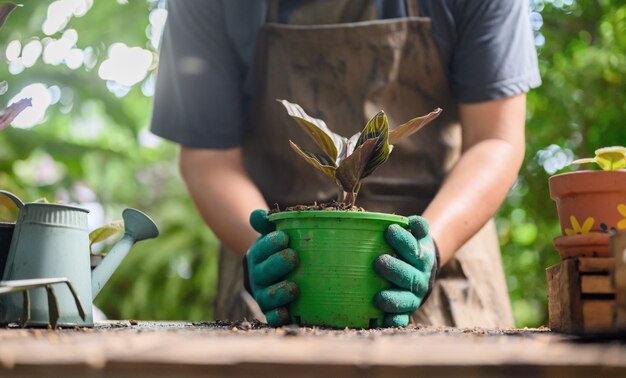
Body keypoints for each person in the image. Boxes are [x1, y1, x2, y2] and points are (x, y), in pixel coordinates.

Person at [151, 0, 540, 328]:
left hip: (448, 273)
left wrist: (431, 249)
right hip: (280, 293)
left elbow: (495, 138)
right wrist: (260, 247)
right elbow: (209, 158)